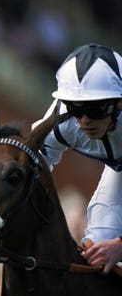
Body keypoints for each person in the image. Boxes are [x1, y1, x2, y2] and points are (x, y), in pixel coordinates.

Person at [34, 43, 122, 274]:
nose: (84, 121)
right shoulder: (61, 121)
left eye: (95, 109)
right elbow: (33, 166)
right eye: (76, 108)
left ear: (119, 103)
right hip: (118, 168)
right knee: (98, 248)